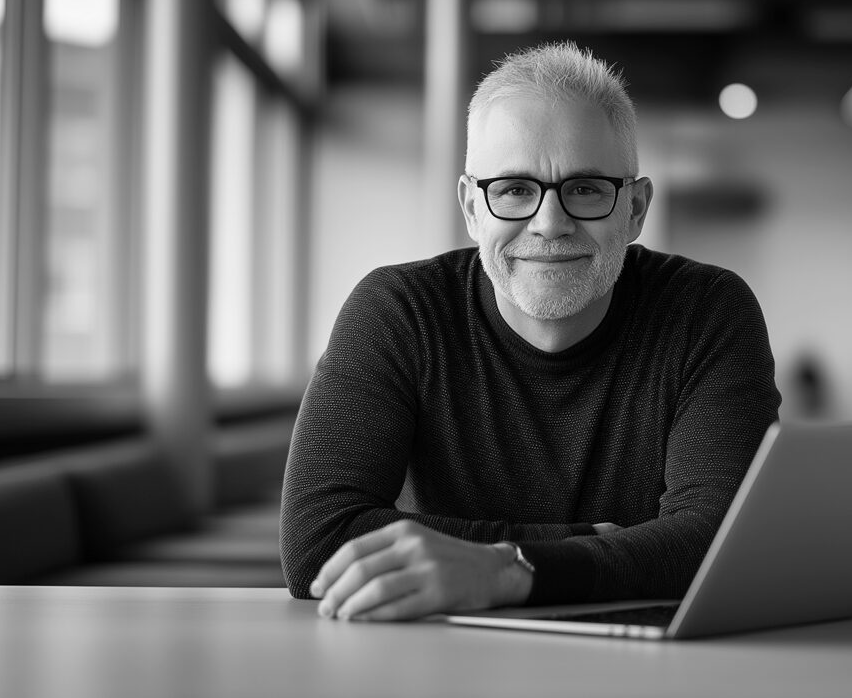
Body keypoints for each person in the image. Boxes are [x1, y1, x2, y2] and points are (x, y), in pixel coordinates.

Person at [280, 41, 780, 622]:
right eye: (514, 190)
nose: (550, 223)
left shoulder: (707, 313)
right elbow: (320, 538)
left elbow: (724, 541)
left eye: (587, 189)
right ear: (471, 208)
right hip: (438, 655)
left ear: (636, 208)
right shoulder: (398, 312)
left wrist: (506, 569)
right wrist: (562, 544)